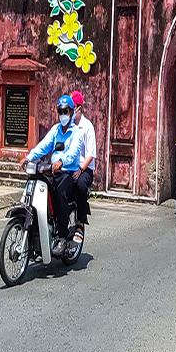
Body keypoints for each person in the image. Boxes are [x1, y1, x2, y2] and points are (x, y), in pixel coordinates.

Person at [24, 94, 86, 241]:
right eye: (60, 111)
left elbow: (72, 154)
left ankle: (63, 237)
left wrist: (61, 162)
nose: (63, 115)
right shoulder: (55, 129)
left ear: (71, 112)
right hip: (52, 170)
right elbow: (44, 146)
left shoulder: (77, 132)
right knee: (36, 187)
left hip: (67, 172)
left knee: (60, 195)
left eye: (66, 111)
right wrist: (29, 157)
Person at [69, 89, 96, 241]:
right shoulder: (67, 127)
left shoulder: (87, 126)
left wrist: (80, 169)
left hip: (84, 169)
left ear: (78, 108)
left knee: (80, 185)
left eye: (71, 109)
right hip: (69, 166)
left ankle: (80, 222)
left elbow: (91, 154)